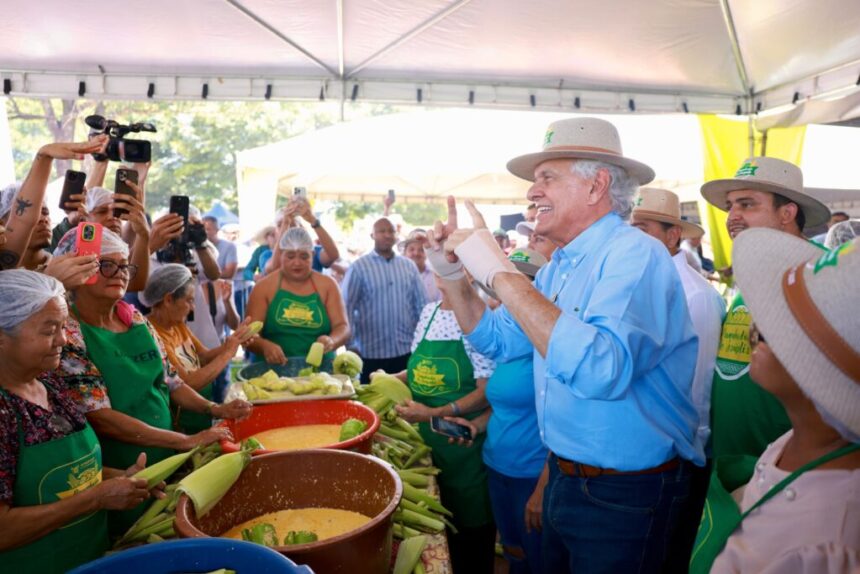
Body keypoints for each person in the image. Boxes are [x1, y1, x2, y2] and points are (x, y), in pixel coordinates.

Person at [429, 117, 702, 572]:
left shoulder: (635, 254)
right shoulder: (559, 268)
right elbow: (496, 341)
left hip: (626, 494)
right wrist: (453, 274)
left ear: (596, 186)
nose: (532, 193)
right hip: (565, 476)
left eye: (546, 178)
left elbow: (600, 368)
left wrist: (497, 270)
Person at [52, 227, 249, 533]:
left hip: (167, 459)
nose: (118, 273)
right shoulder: (68, 334)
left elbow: (172, 382)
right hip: (122, 474)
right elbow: (101, 417)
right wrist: (185, 441)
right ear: (78, 270)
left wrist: (215, 409)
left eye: (123, 266)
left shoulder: (138, 321)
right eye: (106, 265)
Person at [691, 230, 860, 573]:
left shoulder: (826, 540)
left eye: (772, 331)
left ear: (817, 377)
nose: (755, 332)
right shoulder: (793, 443)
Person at [0, 270, 156, 574]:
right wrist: (93, 500)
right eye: (48, 331)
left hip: (91, 561)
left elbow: (72, 473)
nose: (62, 340)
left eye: (62, 327)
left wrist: (123, 479)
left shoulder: (52, 385)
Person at [699, 156, 831, 460]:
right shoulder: (753, 270)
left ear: (787, 212)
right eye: (730, 206)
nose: (732, 216)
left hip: (790, 478)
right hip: (734, 473)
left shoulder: (822, 275)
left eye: (747, 204)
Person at [631, 186, 726, 567]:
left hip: (673, 457)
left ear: (673, 235)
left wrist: (686, 461)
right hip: (640, 453)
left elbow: (698, 389)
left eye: (644, 228)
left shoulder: (696, 296)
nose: (634, 237)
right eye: (631, 228)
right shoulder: (635, 279)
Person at [446, 228, 550, 574]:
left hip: (532, 474)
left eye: (521, 285)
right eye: (504, 286)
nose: (509, 296)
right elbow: (502, 406)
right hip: (498, 465)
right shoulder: (506, 341)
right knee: (513, 552)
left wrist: (542, 489)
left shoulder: (546, 346)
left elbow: (564, 422)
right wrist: (474, 427)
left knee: (539, 558)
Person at [391, 271, 497, 574]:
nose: (443, 272)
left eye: (454, 264)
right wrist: (385, 378)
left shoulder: (479, 317)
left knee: (470, 534)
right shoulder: (429, 312)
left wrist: (436, 412)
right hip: (425, 440)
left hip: (462, 443)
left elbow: (486, 389)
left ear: (470, 272)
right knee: (440, 529)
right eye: (439, 265)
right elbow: (416, 369)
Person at [142, 264, 255, 434]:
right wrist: (228, 353)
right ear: (168, 300)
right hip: (178, 423)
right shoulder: (151, 334)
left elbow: (203, 356)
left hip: (198, 412)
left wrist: (235, 340)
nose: (193, 307)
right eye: (189, 300)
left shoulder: (177, 325)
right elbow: (188, 383)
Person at [246, 227, 350, 365]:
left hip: (321, 373)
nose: (297, 262)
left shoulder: (328, 285)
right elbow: (249, 335)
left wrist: (332, 340)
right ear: (280, 255)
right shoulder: (263, 287)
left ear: (312, 255)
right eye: (290, 256)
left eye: (304, 256)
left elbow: (343, 327)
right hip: (272, 373)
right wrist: (264, 346)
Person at [342, 217, 427, 383]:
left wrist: (422, 342)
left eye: (391, 231)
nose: (387, 235)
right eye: (382, 231)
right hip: (370, 352)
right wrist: (351, 345)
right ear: (372, 235)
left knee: (404, 402)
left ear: (396, 236)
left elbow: (421, 306)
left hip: (406, 350)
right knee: (372, 401)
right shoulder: (359, 267)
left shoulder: (409, 266)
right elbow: (347, 307)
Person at [399, 228, 442, 302]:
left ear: (427, 254)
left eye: (421, 250)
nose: (416, 253)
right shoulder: (397, 276)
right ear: (404, 253)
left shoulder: (436, 277)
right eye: (411, 249)